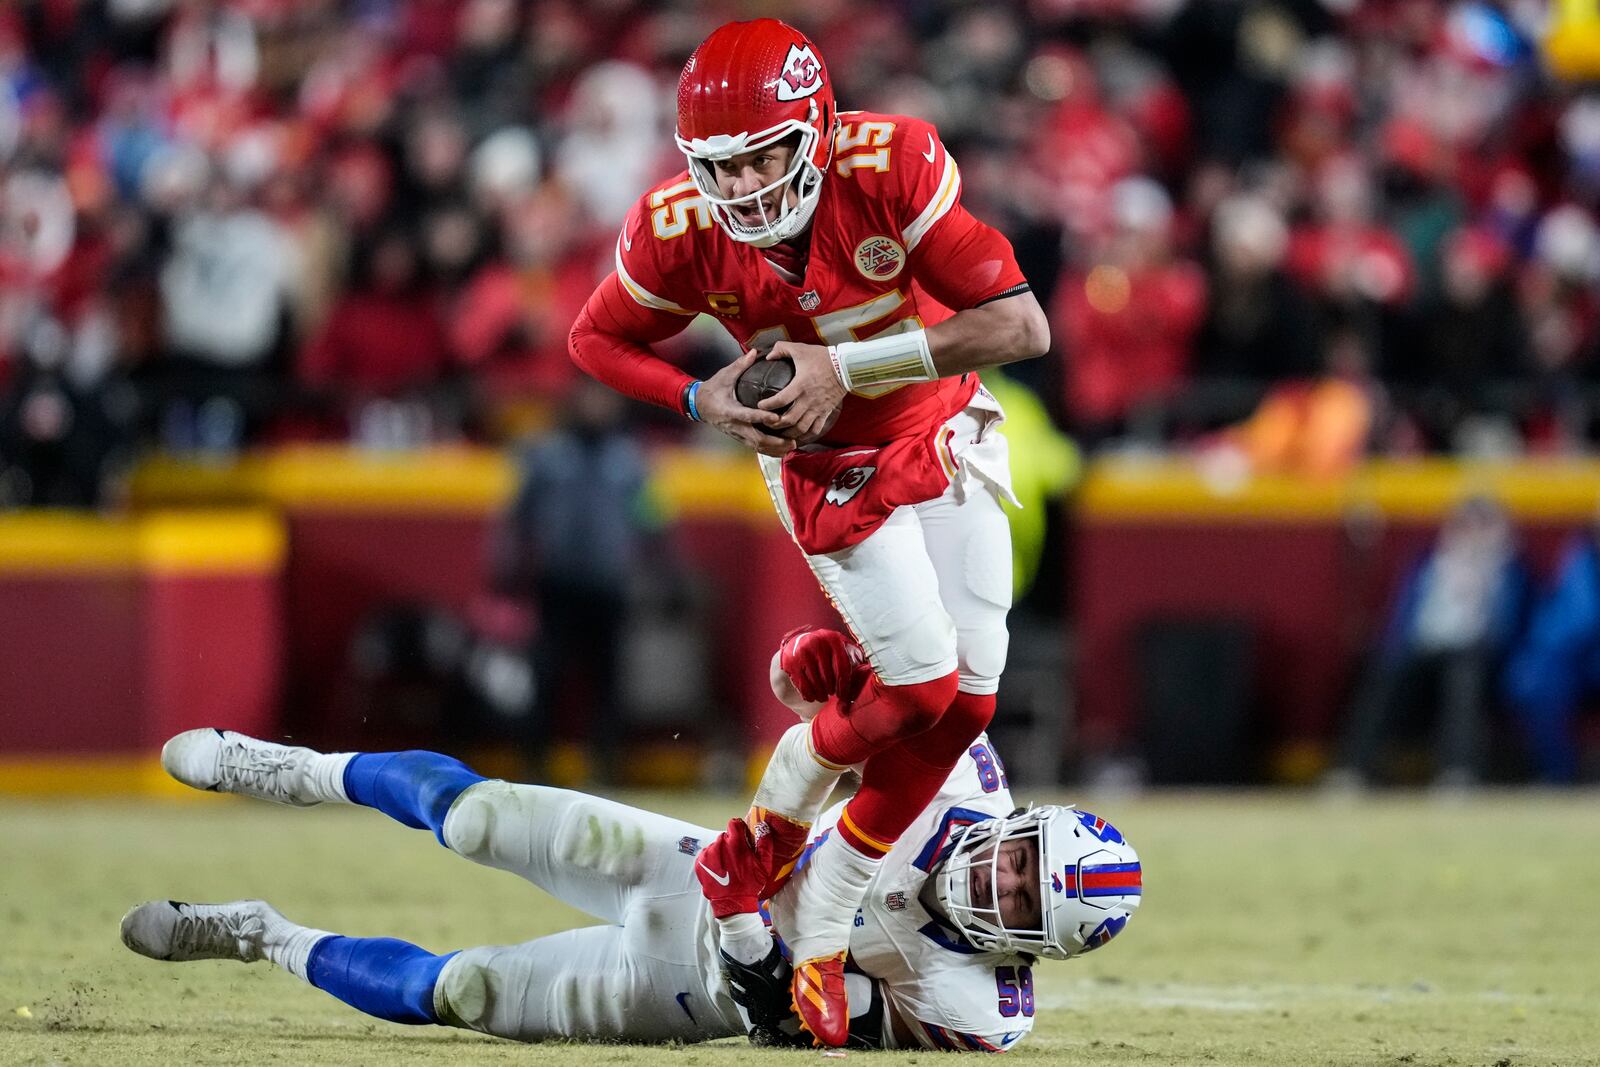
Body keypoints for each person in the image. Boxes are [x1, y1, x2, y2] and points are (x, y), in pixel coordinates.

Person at [566, 19, 1050, 1041]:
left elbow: (1020, 324)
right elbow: (594, 336)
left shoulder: (891, 164)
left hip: (943, 427)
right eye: (719, 165)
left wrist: (853, 366)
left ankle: (818, 910)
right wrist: (696, 395)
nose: (740, 187)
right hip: (821, 462)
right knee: (917, 683)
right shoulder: (675, 223)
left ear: (818, 130)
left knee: (967, 703)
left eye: (762, 156)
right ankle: (774, 821)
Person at [120, 628, 1142, 1051]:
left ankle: (259, 933)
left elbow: (791, 1028)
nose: (1000, 880)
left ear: (1029, 946)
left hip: (690, 984)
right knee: (473, 813)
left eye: (1019, 902)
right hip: (687, 859)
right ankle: (287, 768)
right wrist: (813, 661)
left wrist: (745, 924)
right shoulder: (962, 768)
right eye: (1020, 857)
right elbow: (841, 697)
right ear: (1023, 823)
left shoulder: (976, 1013)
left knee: (459, 991)